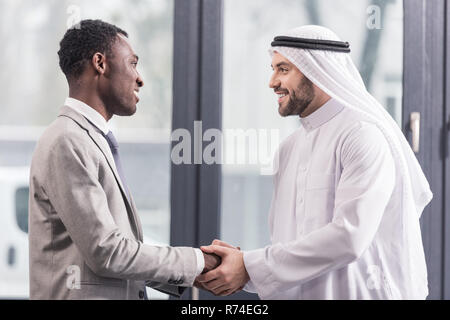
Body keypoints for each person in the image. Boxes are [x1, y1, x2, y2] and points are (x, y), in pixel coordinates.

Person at [197, 25, 433, 299]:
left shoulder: (362, 136)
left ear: (317, 71)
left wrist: (249, 266)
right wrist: (241, 268)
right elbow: (289, 249)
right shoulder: (289, 148)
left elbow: (349, 238)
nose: (272, 81)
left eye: (283, 69)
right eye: (272, 69)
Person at [28, 19, 219, 300]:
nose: (139, 78)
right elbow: (107, 252)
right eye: (132, 63)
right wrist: (197, 261)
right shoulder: (67, 141)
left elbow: (112, 255)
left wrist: (191, 273)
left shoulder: (89, 139)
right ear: (100, 63)